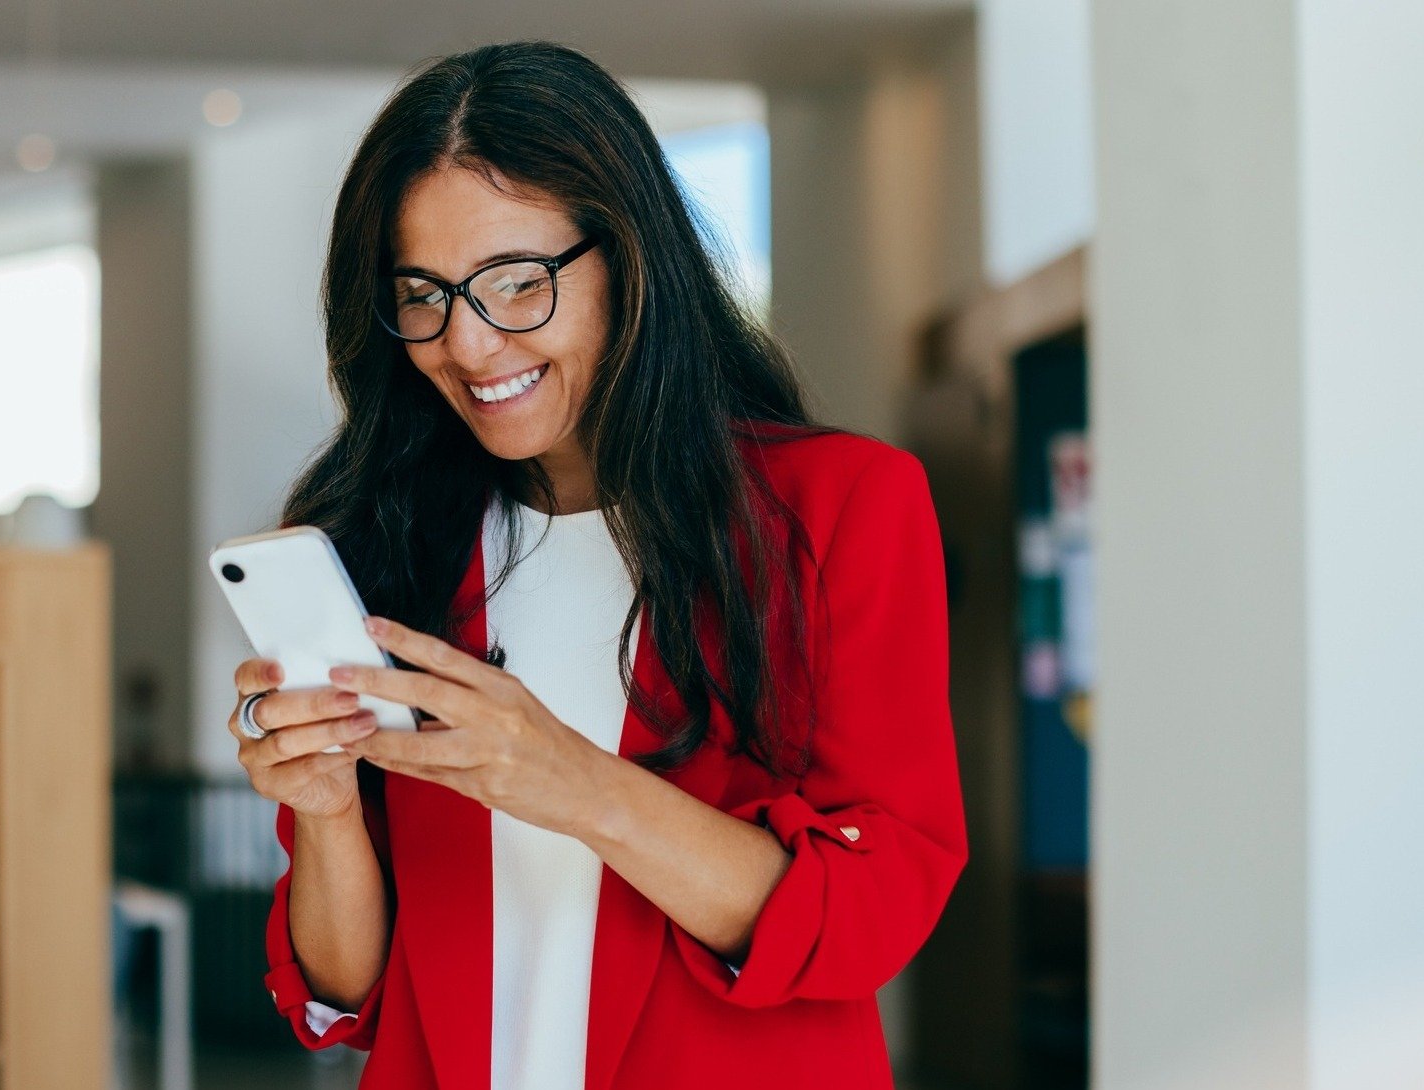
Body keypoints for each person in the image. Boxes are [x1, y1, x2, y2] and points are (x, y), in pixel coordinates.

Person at [230, 40, 967, 1090]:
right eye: (424, 294)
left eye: (516, 284)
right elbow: (348, 993)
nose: (471, 345)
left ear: (623, 256)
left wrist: (569, 781)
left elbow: (871, 914)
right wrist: (327, 804)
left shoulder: (837, 508)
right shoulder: (389, 545)